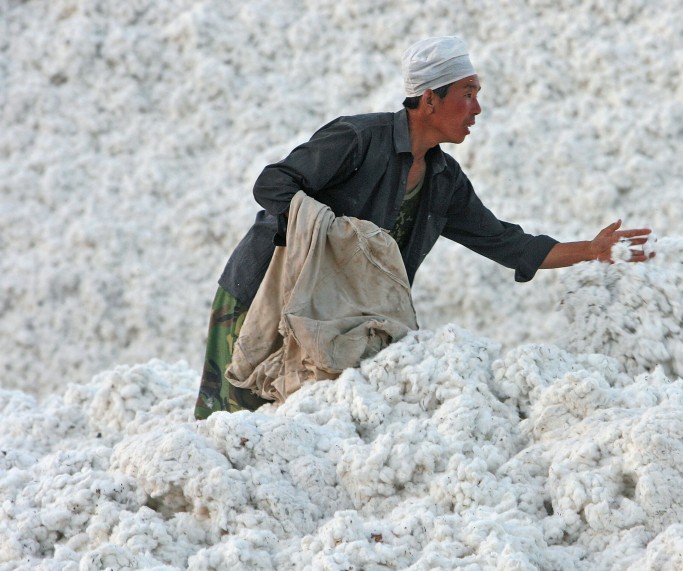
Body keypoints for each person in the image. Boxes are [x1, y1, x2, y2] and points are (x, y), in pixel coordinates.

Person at [194, 36, 652, 420]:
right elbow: (273, 183)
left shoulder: (443, 181)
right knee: (232, 426)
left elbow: (509, 245)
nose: (477, 108)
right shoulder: (357, 139)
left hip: (335, 322)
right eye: (467, 94)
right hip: (263, 297)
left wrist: (591, 250)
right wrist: (331, 233)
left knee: (300, 425)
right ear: (429, 99)